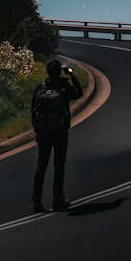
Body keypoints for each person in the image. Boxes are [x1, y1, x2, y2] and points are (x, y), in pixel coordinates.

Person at [31, 58, 83, 213]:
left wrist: (37, 130)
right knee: (59, 166)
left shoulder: (40, 87)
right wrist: (72, 75)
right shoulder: (63, 87)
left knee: (41, 167)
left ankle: (37, 201)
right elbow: (79, 93)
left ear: (47, 71)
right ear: (60, 71)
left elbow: (33, 110)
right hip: (60, 133)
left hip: (43, 133)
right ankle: (58, 199)